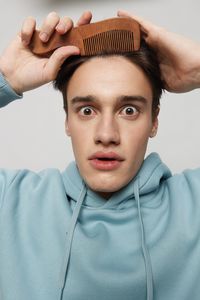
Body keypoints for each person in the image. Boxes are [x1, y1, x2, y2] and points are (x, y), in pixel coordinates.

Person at [0, 10, 200, 300]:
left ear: (154, 120)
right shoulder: (10, 202)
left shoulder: (194, 207)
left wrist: (198, 69)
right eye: (87, 110)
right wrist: (6, 79)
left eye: (129, 110)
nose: (106, 134)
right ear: (67, 120)